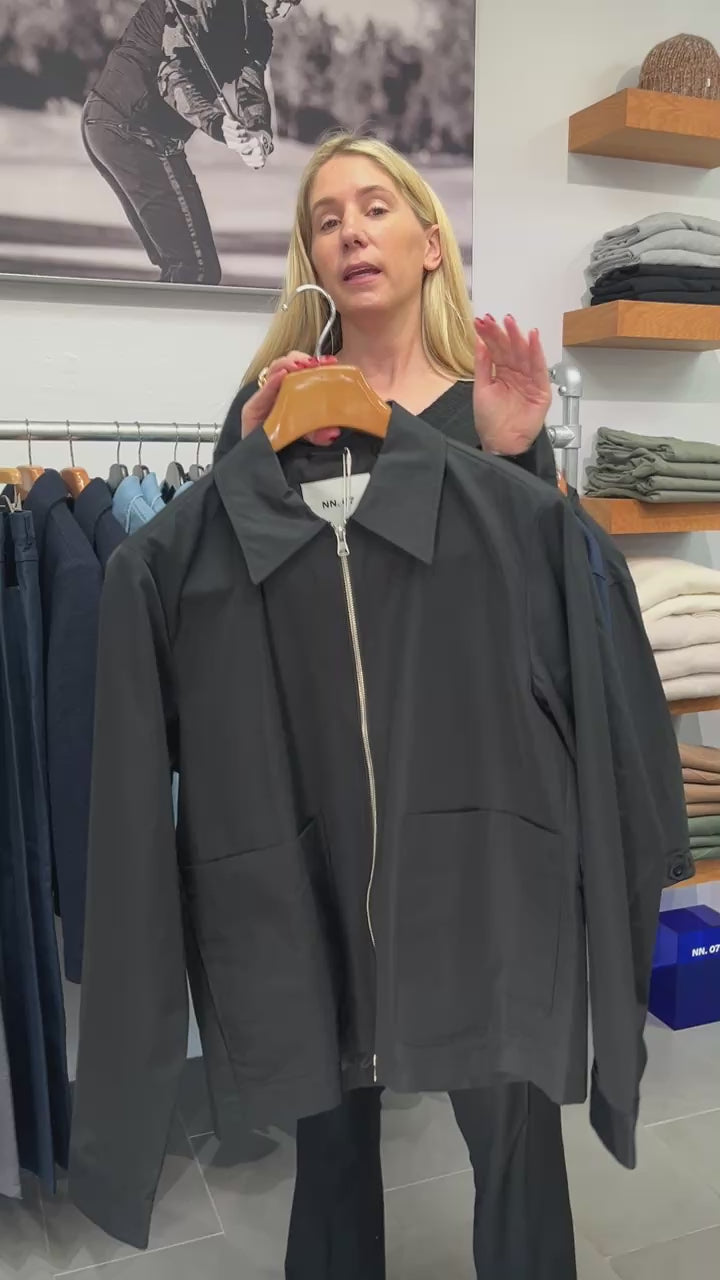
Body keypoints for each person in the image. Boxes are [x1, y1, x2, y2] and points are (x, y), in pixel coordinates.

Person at [215, 133, 576, 1280]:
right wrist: (240, 468)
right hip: (325, 818)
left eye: (375, 207)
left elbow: (545, 618)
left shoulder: (489, 408)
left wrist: (515, 457)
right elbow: (232, 617)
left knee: (510, 1114)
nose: (351, 231)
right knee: (331, 1127)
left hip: (469, 819)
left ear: (428, 241)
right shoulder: (273, 412)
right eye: (327, 218)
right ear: (312, 257)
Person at [82, 0, 300, 284]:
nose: (284, 11)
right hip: (131, 126)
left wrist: (259, 133)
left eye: (294, 3)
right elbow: (171, 76)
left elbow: (251, 83)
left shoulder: (257, 26)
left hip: (133, 130)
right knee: (196, 271)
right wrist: (217, 124)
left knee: (185, 269)